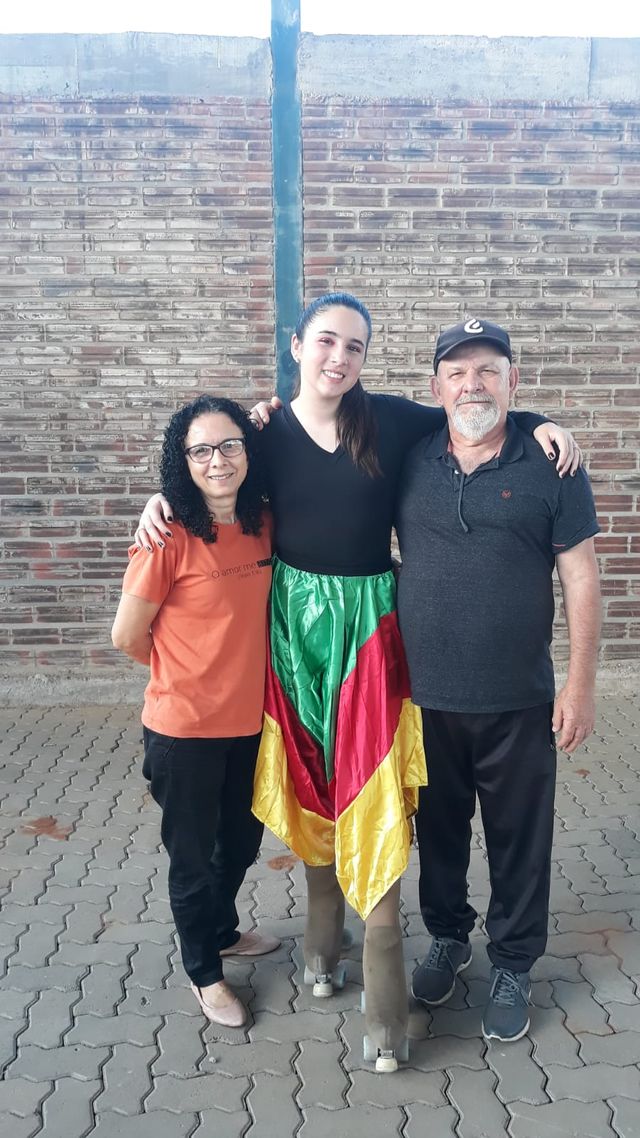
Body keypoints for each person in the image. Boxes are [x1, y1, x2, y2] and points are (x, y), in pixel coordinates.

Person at [133, 294, 581, 1073]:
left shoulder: (392, 420)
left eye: (355, 346)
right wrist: (162, 496)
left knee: (371, 786)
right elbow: (211, 471)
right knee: (310, 776)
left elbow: (471, 409)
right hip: (294, 628)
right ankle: (321, 937)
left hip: (372, 630)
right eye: (326, 341)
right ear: (297, 344)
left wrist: (544, 421)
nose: (339, 358)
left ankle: (392, 962)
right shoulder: (263, 433)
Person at [395, 318, 601, 1044]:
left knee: (519, 840)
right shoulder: (410, 456)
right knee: (439, 835)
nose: (472, 384)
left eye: (488, 369)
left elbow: (581, 578)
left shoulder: (552, 466)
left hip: (519, 699)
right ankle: (448, 937)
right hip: (426, 698)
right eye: (457, 372)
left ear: (513, 380)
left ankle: (513, 962)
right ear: (436, 388)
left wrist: (580, 685)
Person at [111, 395, 279, 1029]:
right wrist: (185, 675)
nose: (218, 460)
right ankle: (204, 971)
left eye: (230, 445)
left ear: (247, 452)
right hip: (184, 732)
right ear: (182, 461)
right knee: (193, 857)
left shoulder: (264, 521)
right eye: (201, 450)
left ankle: (223, 930)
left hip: (250, 723)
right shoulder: (167, 536)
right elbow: (127, 635)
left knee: (240, 842)